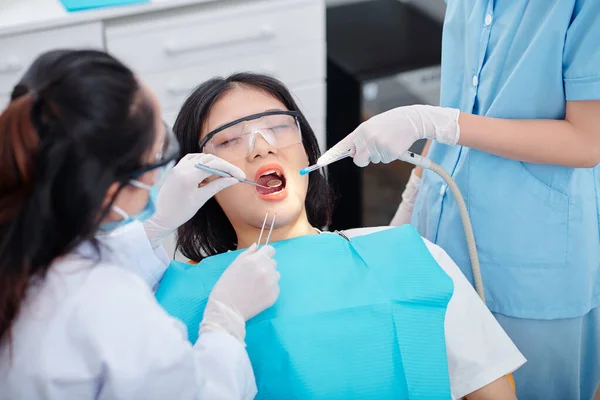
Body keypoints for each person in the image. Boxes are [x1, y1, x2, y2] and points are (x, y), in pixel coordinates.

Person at [149, 73, 525, 399]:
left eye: (278, 126)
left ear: (307, 151)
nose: (261, 146)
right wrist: (154, 226)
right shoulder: (178, 301)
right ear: (199, 177)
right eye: (229, 139)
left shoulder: (411, 257)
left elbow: (492, 392)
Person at [319, 2, 600, 399]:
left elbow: (587, 141)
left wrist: (431, 121)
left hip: (531, 257)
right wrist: (412, 200)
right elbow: (462, 99)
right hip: (440, 227)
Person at [0, 50, 280, 400]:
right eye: (157, 154)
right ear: (109, 188)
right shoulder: (111, 306)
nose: (261, 150)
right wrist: (225, 321)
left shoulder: (25, 243)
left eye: (278, 127)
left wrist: (156, 225)